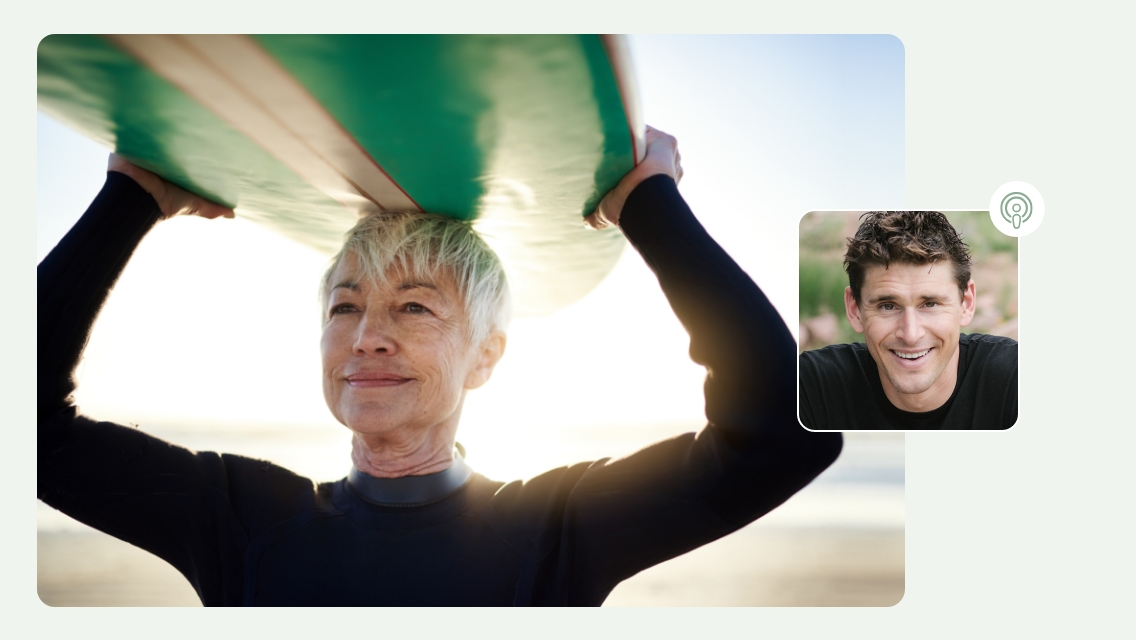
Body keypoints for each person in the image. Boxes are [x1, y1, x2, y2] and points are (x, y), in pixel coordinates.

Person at [39, 127, 842, 606]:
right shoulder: (237, 518)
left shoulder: (559, 530)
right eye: (345, 307)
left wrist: (650, 202)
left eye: (415, 307)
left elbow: (785, 434)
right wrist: (130, 196)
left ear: (486, 356)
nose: (367, 337)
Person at [798, 211, 1018, 431]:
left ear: (967, 303)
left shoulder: (1016, 379)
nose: (911, 335)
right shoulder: (809, 386)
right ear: (854, 309)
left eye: (930, 304)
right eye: (887, 306)